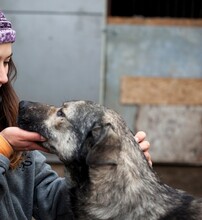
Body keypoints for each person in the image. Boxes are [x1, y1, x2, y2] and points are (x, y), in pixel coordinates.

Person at [0, 10, 151, 220]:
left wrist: (114, 175)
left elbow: (53, 202)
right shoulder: (7, 139)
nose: (4, 77)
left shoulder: (5, 119)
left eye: (6, 62)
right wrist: (3, 148)